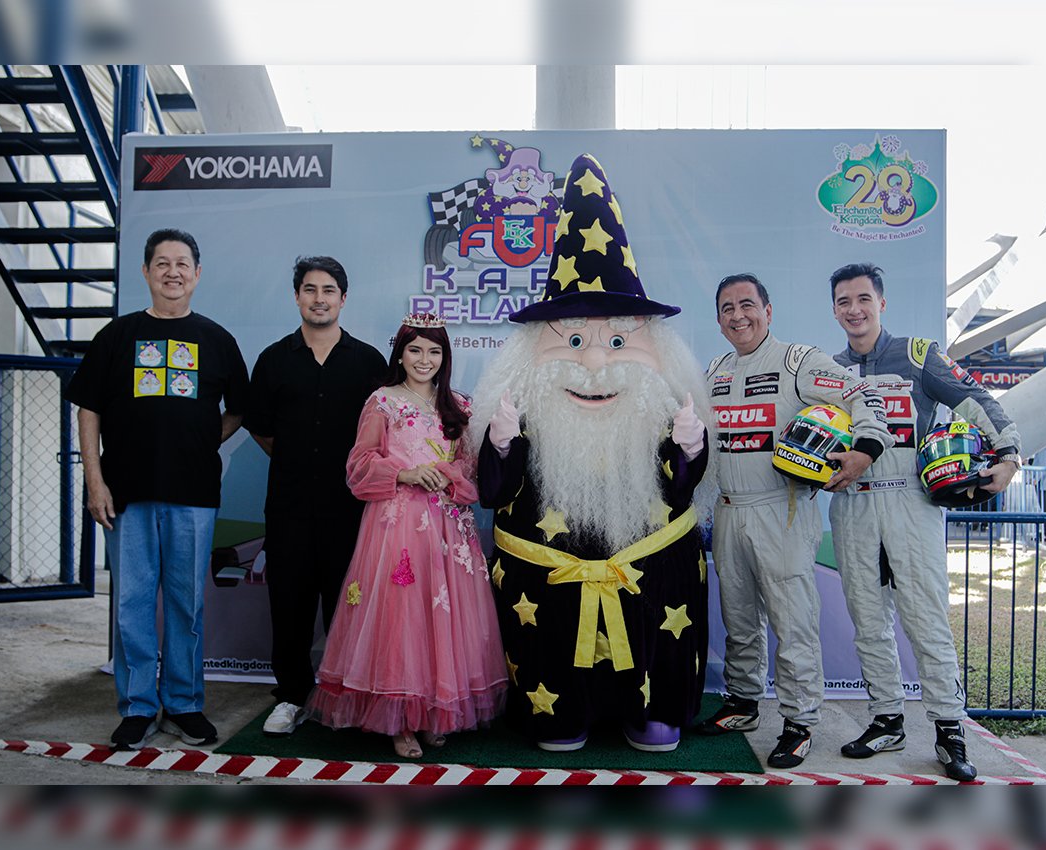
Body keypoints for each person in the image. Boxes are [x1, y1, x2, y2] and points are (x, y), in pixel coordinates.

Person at [473, 153, 711, 754]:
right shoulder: (525, 408)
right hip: (548, 587)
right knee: (551, 638)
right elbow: (494, 494)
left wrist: (689, 450)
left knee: (657, 616)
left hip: (647, 580)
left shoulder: (663, 408)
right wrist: (500, 446)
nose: (596, 362)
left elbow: (680, 487)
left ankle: (652, 710)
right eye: (573, 340)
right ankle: (558, 712)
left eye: (618, 341)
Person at [827, 262, 1021, 782]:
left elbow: (977, 400)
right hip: (853, 504)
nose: (854, 309)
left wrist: (1009, 454)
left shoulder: (917, 354)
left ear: (881, 302)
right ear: (835, 310)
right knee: (868, 620)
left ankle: (949, 728)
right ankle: (887, 719)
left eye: (863, 298)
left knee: (926, 619)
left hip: (910, 502)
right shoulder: (829, 369)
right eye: (844, 301)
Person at [696, 272, 893, 769]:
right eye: (727, 308)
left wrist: (867, 448)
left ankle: (800, 721)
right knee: (739, 618)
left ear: (767, 310)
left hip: (780, 508)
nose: (738, 316)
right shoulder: (715, 371)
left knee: (793, 621)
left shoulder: (796, 361)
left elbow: (862, 394)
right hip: (728, 509)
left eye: (747, 305)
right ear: (718, 321)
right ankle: (742, 703)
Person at [66, 228, 249, 750]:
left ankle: (185, 704)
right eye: (162, 263)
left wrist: (200, 440)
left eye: (182, 263)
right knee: (132, 603)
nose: (173, 272)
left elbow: (239, 409)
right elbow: (88, 410)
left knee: (186, 605)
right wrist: (95, 480)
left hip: (193, 494)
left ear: (197, 274)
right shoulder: (116, 336)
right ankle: (138, 706)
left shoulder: (217, 339)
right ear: (145, 272)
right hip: (125, 492)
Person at [304, 314, 507, 759]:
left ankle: (435, 712)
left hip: (449, 530)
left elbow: (473, 469)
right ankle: (400, 720)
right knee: (403, 620)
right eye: (415, 350)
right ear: (400, 354)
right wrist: (405, 473)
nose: (424, 359)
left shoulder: (461, 406)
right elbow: (359, 465)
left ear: (445, 357)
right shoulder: (382, 402)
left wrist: (449, 476)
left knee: (445, 623)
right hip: (397, 527)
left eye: (434, 351)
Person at [244, 256, 387, 737]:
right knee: (290, 605)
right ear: (297, 296)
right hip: (289, 508)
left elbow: (385, 434)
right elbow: (261, 429)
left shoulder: (369, 362)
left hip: (352, 510)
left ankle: (346, 700)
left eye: (328, 290)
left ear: (343, 299)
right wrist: (298, 460)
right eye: (310, 289)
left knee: (350, 605)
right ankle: (291, 696)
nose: (319, 299)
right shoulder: (273, 359)